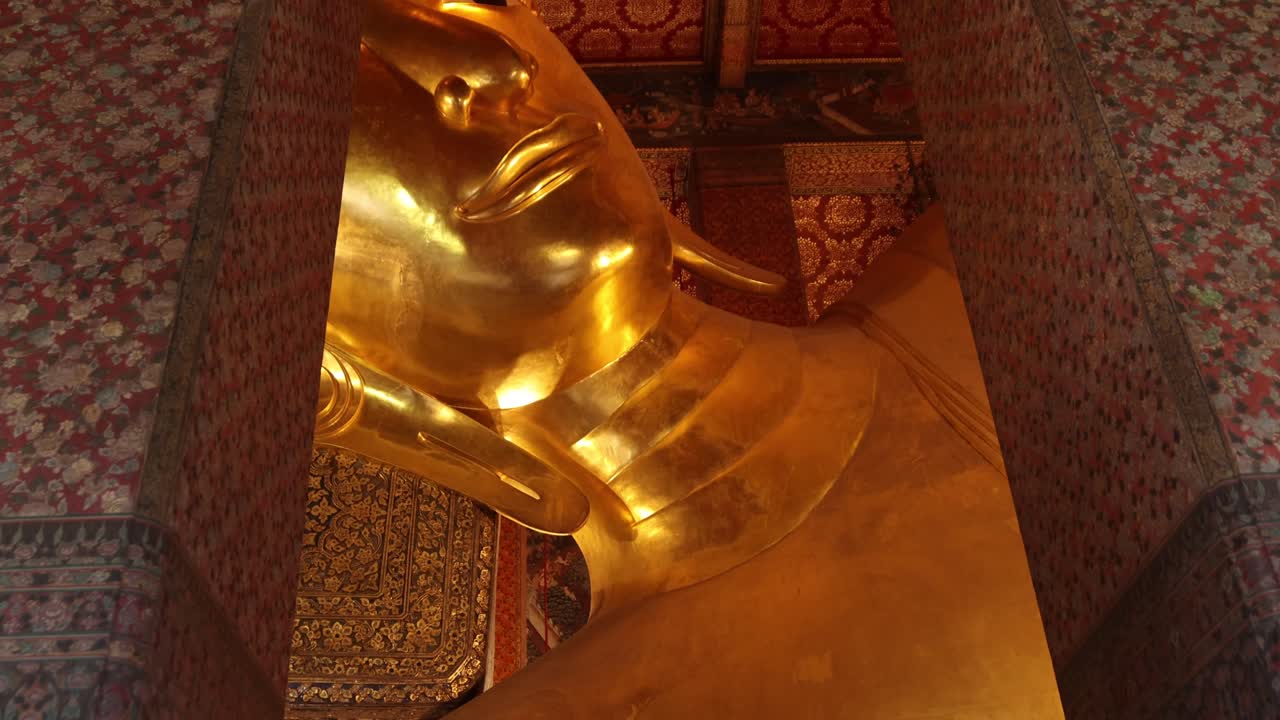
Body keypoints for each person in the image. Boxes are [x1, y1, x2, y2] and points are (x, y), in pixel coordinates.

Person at [316, 2, 1064, 715]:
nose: (487, 66)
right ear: (324, 375)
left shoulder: (1029, 256)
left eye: (478, 0)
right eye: (335, 100)